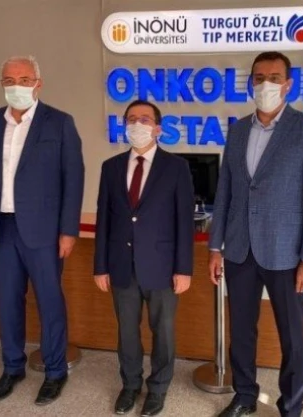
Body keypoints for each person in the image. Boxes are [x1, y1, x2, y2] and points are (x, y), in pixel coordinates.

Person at [208, 52, 303, 417]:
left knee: (292, 336)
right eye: (259, 77)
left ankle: (291, 406)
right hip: (239, 249)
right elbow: (225, 193)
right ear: (251, 83)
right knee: (241, 332)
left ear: (288, 84)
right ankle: (244, 396)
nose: (266, 84)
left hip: (287, 253)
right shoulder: (237, 131)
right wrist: (215, 247)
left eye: (275, 78)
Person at [0, 56, 85, 405]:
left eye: (24, 79)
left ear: (38, 83)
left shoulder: (60, 122)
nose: (16, 86)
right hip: (1, 228)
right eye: (9, 80)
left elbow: (73, 179)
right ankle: (12, 367)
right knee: (7, 302)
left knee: (49, 302)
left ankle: (55, 371)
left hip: (44, 231)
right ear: (1, 84)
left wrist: (68, 230)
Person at [94, 100, 195, 416]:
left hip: (162, 267)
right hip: (121, 265)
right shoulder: (110, 167)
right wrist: (100, 266)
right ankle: (130, 385)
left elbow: (184, 222)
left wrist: (184, 269)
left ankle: (158, 388)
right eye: (132, 119)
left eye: (145, 119)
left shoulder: (176, 167)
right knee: (127, 331)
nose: (137, 124)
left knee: (162, 331)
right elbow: (104, 219)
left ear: (158, 128)